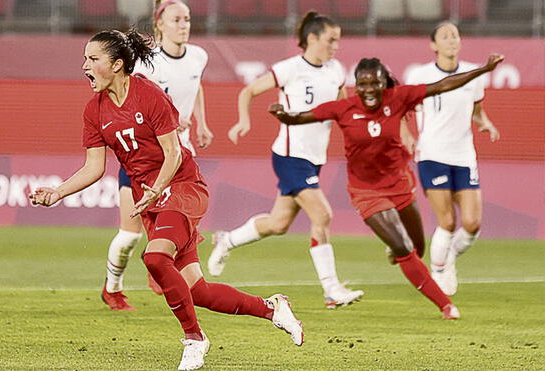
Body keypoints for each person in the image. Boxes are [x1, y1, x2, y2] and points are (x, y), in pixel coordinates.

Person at [29, 29, 303, 371]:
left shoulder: (149, 95)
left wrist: (157, 188)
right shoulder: (94, 111)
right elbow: (94, 167)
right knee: (196, 290)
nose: (85, 65)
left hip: (182, 187)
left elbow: (173, 153)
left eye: (92, 59)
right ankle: (272, 308)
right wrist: (57, 192)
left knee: (155, 257)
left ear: (116, 65)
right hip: (153, 199)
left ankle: (195, 339)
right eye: (86, 58)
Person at [268, 54, 504, 319]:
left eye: (375, 83)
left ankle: (399, 250)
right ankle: (446, 305)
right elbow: (299, 118)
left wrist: (484, 69)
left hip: (399, 185)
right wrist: (282, 115)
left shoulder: (399, 97)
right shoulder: (343, 107)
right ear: (355, 85)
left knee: (417, 249)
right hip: (366, 192)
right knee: (404, 249)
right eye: (363, 84)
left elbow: (444, 84)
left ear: (384, 84)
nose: (369, 90)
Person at [207, 11, 363, 309]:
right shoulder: (290, 68)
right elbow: (250, 90)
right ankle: (331, 290)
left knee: (278, 223)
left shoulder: (336, 70)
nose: (336, 46)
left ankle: (227, 240)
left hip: (314, 159)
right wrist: (243, 121)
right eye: (331, 40)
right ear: (313, 38)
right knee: (323, 215)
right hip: (291, 156)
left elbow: (343, 108)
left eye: (338, 41)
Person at [100, 0, 214, 311]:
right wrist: (166, 121)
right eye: (177, 19)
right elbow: (127, 100)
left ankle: (163, 266)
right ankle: (112, 288)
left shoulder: (199, 57)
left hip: (177, 157)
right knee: (129, 234)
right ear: (160, 24)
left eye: (187, 19)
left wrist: (201, 122)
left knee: (181, 221)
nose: (184, 25)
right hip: (141, 159)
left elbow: (196, 85)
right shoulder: (146, 64)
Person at [405, 21, 500, 296]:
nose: (452, 40)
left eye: (455, 35)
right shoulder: (420, 75)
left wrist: (486, 123)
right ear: (433, 45)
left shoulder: (474, 74)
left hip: (464, 155)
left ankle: (447, 258)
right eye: (445, 36)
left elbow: (477, 110)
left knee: (472, 224)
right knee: (446, 221)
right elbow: (402, 109)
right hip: (433, 154)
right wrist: (407, 136)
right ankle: (438, 270)